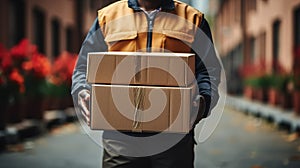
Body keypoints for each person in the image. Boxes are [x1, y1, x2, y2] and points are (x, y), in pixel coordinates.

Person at [72, 0, 221, 167]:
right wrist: (82, 90)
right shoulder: (108, 17)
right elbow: (83, 67)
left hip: (174, 138)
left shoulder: (193, 19)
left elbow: (208, 70)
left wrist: (203, 101)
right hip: (120, 138)